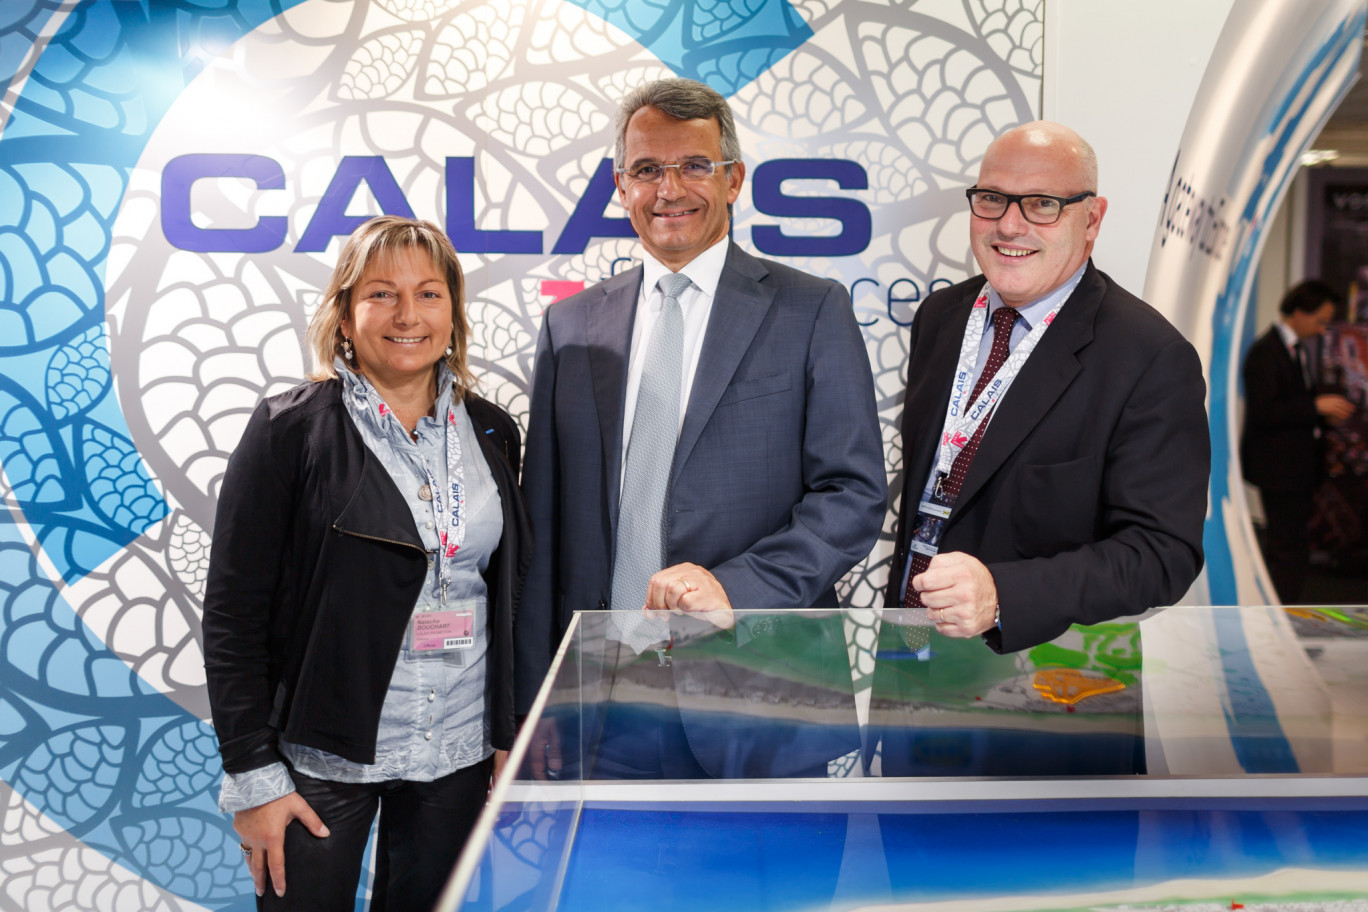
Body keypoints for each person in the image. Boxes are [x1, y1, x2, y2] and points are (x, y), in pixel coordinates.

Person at [516, 78, 885, 777]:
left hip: (765, 705)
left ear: (734, 178)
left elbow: (853, 494)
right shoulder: (571, 327)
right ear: (621, 186)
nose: (669, 189)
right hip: (606, 706)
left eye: (694, 165)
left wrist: (734, 589)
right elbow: (545, 527)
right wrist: (536, 703)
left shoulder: (812, 310)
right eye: (647, 170)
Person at [203, 216, 530, 909]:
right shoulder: (288, 430)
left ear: (454, 313)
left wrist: (507, 735)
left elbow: (502, 594)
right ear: (345, 315)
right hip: (323, 763)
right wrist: (256, 778)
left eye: (429, 294)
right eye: (382, 294)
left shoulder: (494, 431)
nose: (408, 315)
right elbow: (233, 616)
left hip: (458, 753)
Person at [885, 121, 1210, 655]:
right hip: (909, 651)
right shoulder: (941, 316)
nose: (1010, 225)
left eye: (1041, 204)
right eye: (992, 199)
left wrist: (1002, 596)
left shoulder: (1150, 357)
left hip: (1046, 684)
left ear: (1092, 219)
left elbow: (1162, 554)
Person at [1240, 279, 1356, 602]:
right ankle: (1279, 614)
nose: (1322, 331)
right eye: (1320, 321)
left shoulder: (1296, 350)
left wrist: (1321, 415)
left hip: (1298, 468)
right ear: (1299, 312)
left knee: (1293, 547)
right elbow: (1266, 411)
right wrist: (1315, 407)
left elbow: (1293, 404)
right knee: (1286, 549)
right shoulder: (1265, 352)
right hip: (1278, 470)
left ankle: (1284, 609)